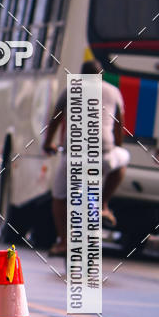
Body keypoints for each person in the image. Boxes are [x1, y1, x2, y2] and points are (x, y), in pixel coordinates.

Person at [43, 58, 130, 256]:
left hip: (74, 156)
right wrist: (115, 146)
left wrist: (48, 144)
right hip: (104, 154)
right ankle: (103, 204)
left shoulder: (71, 89)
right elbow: (119, 125)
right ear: (101, 76)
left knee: (59, 197)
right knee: (123, 158)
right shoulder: (113, 91)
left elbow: (55, 119)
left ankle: (64, 241)